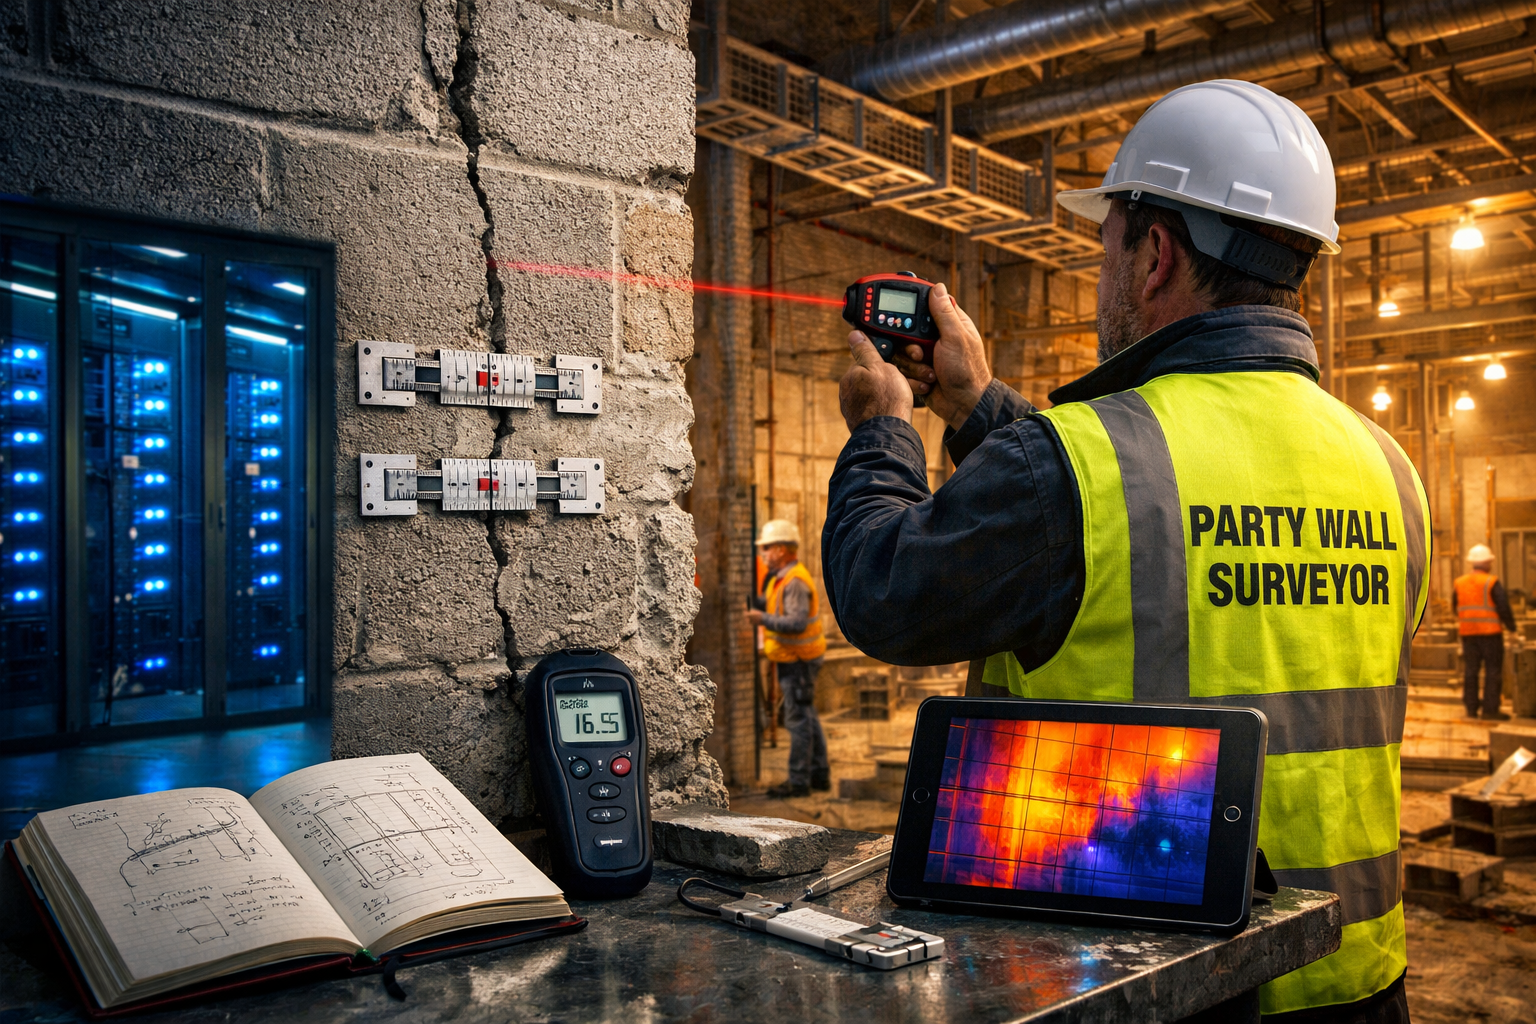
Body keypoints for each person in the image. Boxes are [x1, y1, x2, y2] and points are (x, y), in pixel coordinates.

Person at [823, 80, 1426, 1022]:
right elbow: (1119, 527)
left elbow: (882, 589)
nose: (1100, 271)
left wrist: (883, 432)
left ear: (1155, 253)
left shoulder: (1081, 459)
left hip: (1147, 982)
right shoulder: (1390, 469)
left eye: (1104, 245)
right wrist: (980, 410)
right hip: (1354, 977)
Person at [748, 519, 830, 798]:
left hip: (798, 661)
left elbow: (795, 622)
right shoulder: (783, 578)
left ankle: (798, 782)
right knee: (807, 715)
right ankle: (820, 775)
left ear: (782, 549)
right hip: (797, 659)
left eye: (767, 548)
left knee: (797, 720)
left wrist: (762, 619)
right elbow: (776, 606)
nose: (764, 554)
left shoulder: (793, 581)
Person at [1454, 544, 1518, 720]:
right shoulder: (1491, 582)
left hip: (1468, 634)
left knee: (1471, 670)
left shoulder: (1460, 583)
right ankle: (1490, 710)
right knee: (1493, 671)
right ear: (1488, 563)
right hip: (1490, 634)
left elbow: (1455, 607)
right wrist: (1512, 628)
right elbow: (1503, 607)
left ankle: (1471, 708)